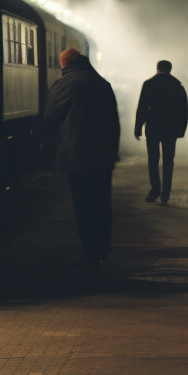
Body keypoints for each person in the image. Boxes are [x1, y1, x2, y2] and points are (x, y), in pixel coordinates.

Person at [45, 47, 121, 267]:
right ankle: (104, 248)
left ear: (66, 64)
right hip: (103, 156)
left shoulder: (66, 83)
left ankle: (91, 251)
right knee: (102, 202)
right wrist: (112, 151)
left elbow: (51, 116)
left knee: (83, 205)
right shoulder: (102, 84)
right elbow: (114, 122)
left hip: (75, 155)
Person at [134, 60, 188, 205]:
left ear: (157, 68)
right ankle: (166, 194)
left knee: (153, 159)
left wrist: (138, 127)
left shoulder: (149, 84)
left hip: (153, 127)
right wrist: (181, 129)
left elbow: (142, 107)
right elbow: (184, 110)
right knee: (168, 161)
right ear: (170, 70)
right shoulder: (177, 85)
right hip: (171, 129)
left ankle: (155, 189)